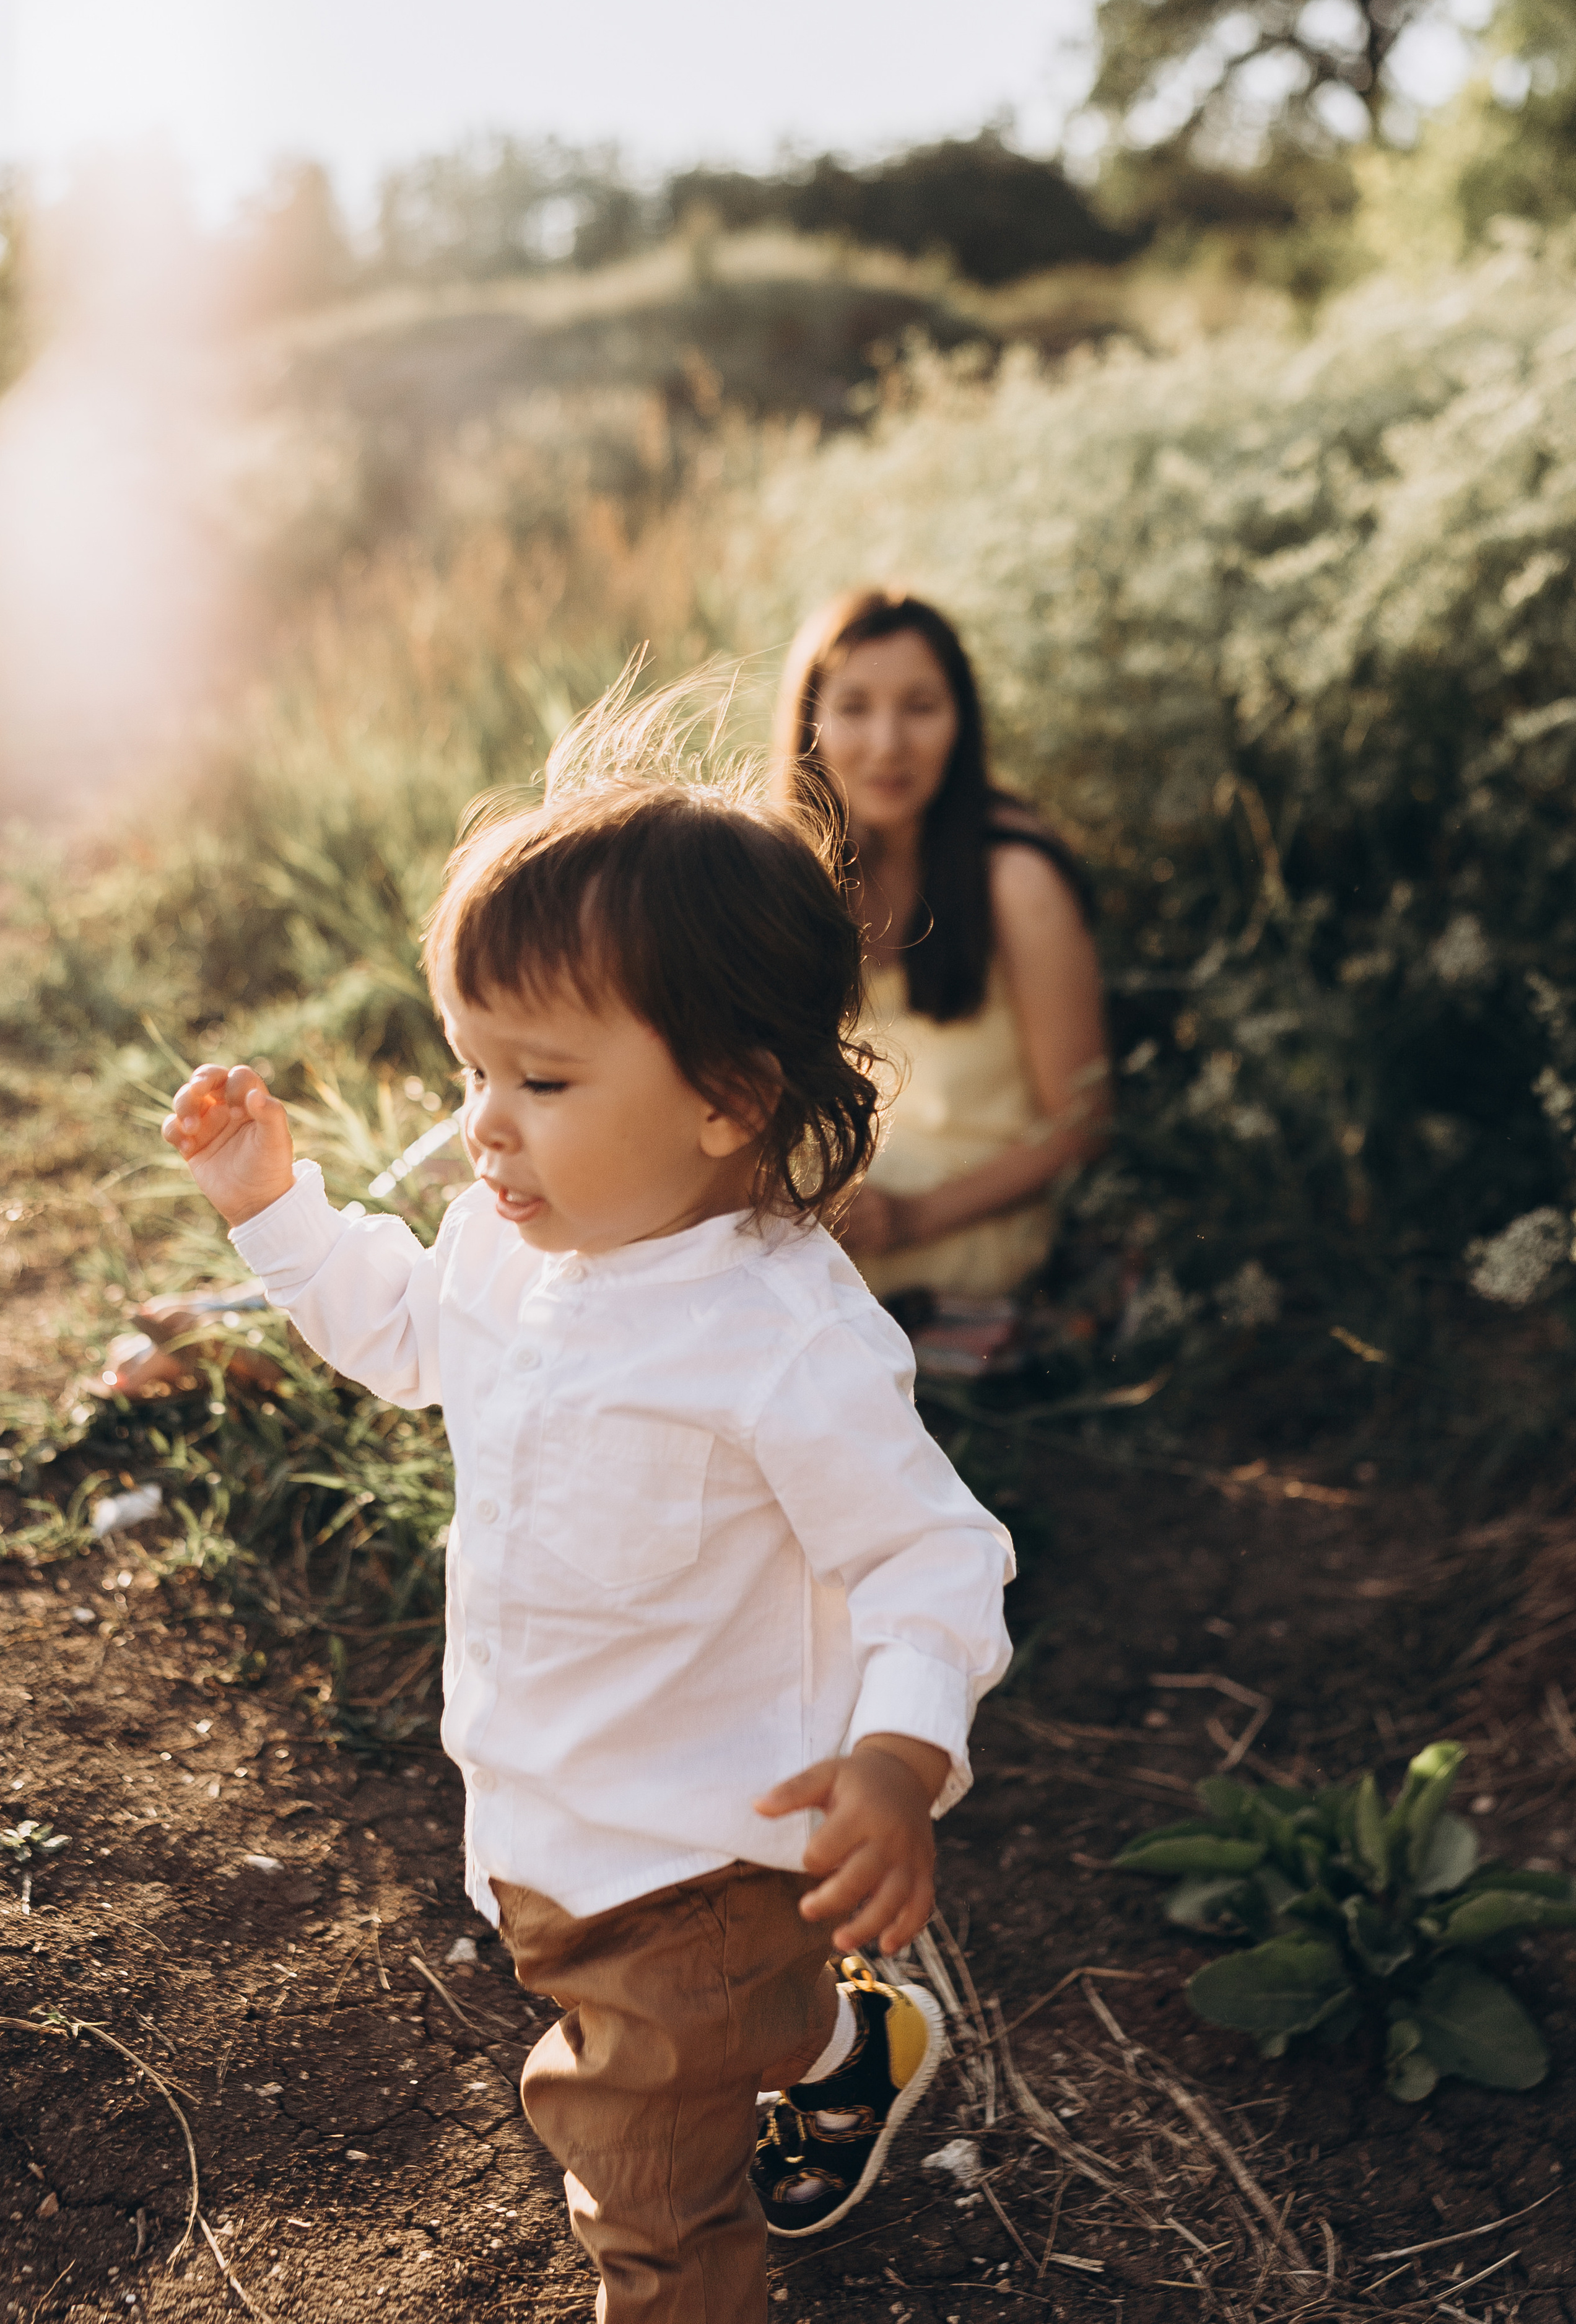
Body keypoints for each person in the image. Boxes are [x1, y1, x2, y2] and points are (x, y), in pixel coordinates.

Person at [162, 680, 1014, 2324]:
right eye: (473, 1068)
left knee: (642, 2174)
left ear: (728, 1101)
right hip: (544, 1808)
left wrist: (901, 1756)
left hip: (696, 1849)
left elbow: (931, 1554)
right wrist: (276, 1213)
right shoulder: (508, 1236)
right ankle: (847, 2043)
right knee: (740, 2024)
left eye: (541, 1081)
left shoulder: (780, 1338)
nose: (484, 1125)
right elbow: (408, 1337)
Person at [773, 591, 1108, 1350]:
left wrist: (909, 1219)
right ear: (809, 725)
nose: (888, 744)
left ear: (961, 721)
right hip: (843, 1201)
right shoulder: (794, 882)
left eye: (920, 707)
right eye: (855, 707)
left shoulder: (1014, 881)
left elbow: (1083, 1124)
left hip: (966, 1220)